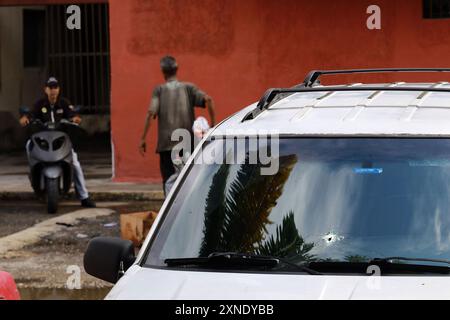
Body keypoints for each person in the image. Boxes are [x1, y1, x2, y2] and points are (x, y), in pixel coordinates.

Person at [139, 56, 216, 195]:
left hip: (166, 146)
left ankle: (170, 214)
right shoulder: (188, 88)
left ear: (163, 71)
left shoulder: (159, 90)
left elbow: (151, 113)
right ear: (177, 69)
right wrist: (213, 127)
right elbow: (208, 99)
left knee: (169, 182)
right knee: (189, 181)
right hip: (187, 144)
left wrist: (143, 139)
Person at [19, 77, 96, 208]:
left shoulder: (64, 103)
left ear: (59, 89)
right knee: (28, 145)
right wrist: (26, 118)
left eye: (55, 87)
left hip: (60, 141)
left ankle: (84, 197)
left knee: (75, 163)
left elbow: (72, 115)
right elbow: (31, 114)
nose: (53, 90)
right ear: (45, 89)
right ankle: (33, 171)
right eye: (50, 87)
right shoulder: (39, 104)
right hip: (43, 140)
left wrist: (76, 118)